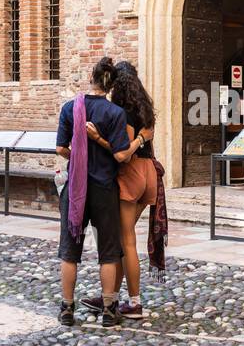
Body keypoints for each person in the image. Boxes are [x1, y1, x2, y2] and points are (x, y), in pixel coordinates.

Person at [55, 57, 149, 329]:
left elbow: (61, 149)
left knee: (69, 250)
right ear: (110, 86)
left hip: (75, 188)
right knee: (108, 251)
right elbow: (121, 155)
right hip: (104, 188)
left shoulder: (71, 108)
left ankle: (67, 308)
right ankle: (109, 310)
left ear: (91, 78)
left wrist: (78, 157)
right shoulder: (114, 113)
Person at [82, 61, 165, 317]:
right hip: (149, 173)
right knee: (121, 238)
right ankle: (111, 297)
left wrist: (98, 139)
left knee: (126, 240)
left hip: (132, 173)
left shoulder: (123, 112)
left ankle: (134, 302)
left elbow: (124, 154)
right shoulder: (144, 108)